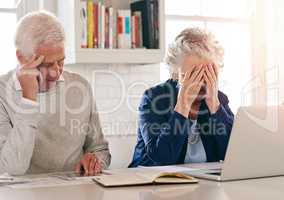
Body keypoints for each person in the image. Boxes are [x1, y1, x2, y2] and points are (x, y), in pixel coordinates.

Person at [0, 11, 111, 175]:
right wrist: (28, 100)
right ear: (21, 57)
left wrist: (95, 160)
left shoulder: (80, 86)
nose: (55, 72)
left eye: (61, 62)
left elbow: (100, 150)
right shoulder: (3, 92)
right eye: (45, 64)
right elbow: (10, 169)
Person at [129, 28, 234, 167]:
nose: (200, 82)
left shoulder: (219, 100)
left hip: (202, 184)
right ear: (176, 73)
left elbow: (232, 153)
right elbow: (162, 158)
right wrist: (183, 105)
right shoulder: (154, 98)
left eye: (207, 74)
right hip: (150, 182)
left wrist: (214, 105)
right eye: (192, 75)